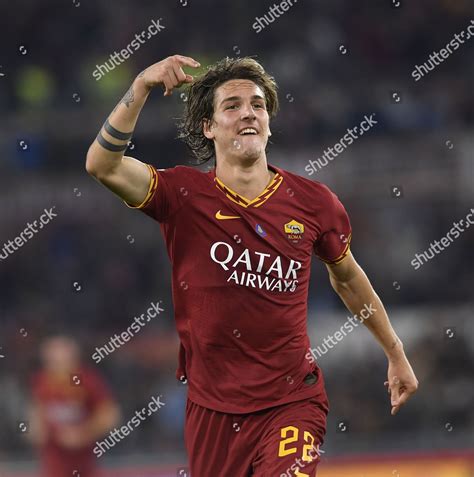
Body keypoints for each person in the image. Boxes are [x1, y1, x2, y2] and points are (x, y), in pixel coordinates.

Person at [85, 54, 419, 476]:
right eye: (232, 105)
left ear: (268, 122)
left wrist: (394, 350)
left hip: (293, 401)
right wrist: (141, 87)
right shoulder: (182, 195)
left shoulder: (315, 203)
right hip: (213, 410)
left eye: (258, 105)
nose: (248, 112)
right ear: (209, 127)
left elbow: (348, 278)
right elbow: (101, 164)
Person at [28, 335, 120, 477]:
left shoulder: (88, 380)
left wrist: (84, 433)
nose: (57, 364)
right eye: (52, 360)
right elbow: (35, 415)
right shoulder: (41, 382)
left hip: (84, 463)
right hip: (53, 464)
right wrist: (35, 431)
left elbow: (110, 415)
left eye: (61, 359)